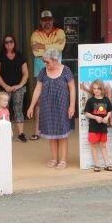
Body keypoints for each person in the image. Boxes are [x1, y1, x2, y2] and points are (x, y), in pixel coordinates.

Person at [26, 47, 76, 169]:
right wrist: (31, 106)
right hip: (47, 107)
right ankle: (54, 158)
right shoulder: (43, 72)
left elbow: (72, 88)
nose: (45, 64)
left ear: (55, 60)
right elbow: (37, 89)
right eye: (44, 62)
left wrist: (72, 106)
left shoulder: (66, 70)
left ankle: (63, 160)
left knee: (62, 134)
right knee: (51, 134)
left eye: (47, 62)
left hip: (62, 106)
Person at [30, 10, 66, 140]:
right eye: (44, 20)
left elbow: (60, 47)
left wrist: (43, 46)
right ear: (41, 21)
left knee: (57, 98)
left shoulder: (60, 32)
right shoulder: (35, 34)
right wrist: (51, 47)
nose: (47, 23)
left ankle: (56, 128)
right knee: (39, 100)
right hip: (40, 68)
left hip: (57, 69)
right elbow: (35, 51)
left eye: (49, 20)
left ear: (53, 20)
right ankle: (37, 130)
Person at [0, 34, 29, 143]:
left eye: (11, 42)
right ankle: (4, 133)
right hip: (4, 88)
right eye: (7, 42)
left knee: (18, 108)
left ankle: (21, 134)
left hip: (18, 87)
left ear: (14, 43)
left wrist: (19, 85)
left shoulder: (20, 56)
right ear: (4, 44)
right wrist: (5, 86)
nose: (9, 44)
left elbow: (25, 73)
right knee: (3, 109)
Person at [83, 80, 112, 172]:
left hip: (103, 127)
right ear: (92, 89)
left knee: (103, 145)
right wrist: (95, 117)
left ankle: (107, 164)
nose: (96, 90)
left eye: (98, 88)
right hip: (93, 128)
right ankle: (97, 165)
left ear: (102, 89)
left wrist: (107, 117)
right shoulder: (90, 100)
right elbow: (86, 113)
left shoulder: (106, 100)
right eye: (94, 88)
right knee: (94, 146)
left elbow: (110, 111)